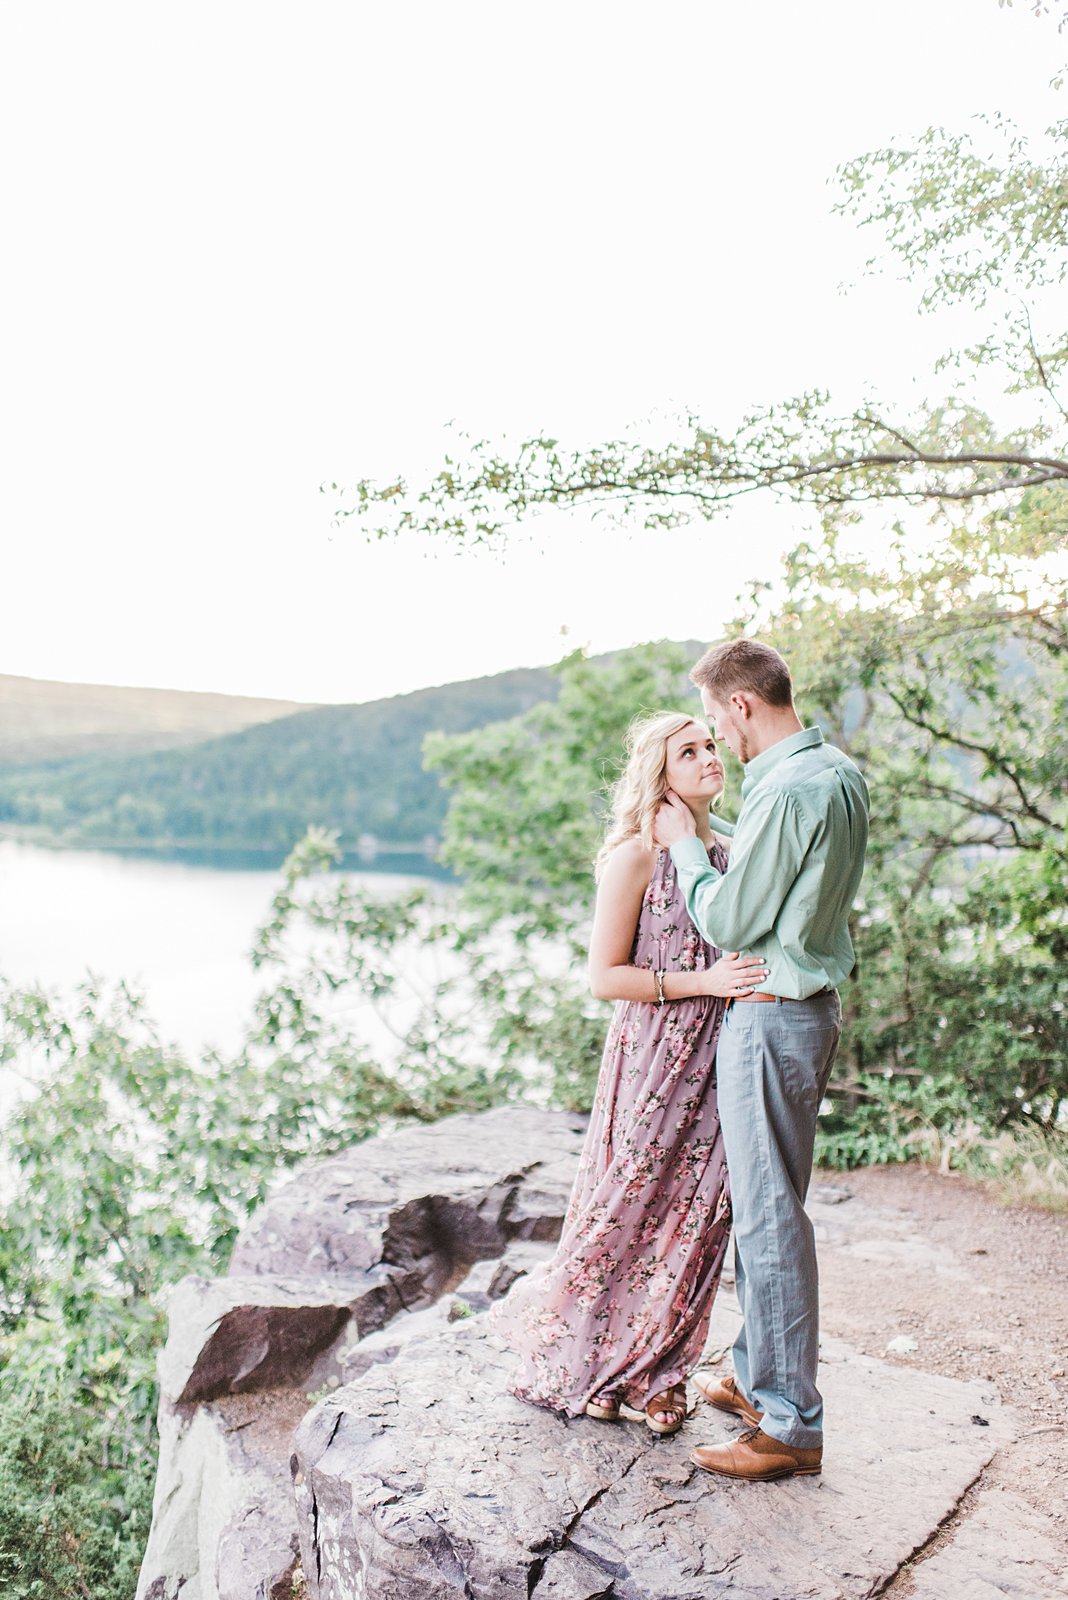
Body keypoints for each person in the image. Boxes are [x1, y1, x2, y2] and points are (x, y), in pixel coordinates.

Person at [489, 712, 768, 1435]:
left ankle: (662, 1374)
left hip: (720, 1059)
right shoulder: (635, 856)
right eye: (691, 751)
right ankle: (593, 1363)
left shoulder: (734, 853)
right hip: (653, 1057)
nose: (711, 758)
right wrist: (703, 983)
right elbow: (603, 976)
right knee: (626, 1208)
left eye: (712, 746)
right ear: (661, 772)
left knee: (700, 1219)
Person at [653, 638, 869, 1482]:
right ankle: (752, 1378)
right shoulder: (834, 773)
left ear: (741, 705)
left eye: (715, 719)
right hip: (808, 1011)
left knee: (769, 1218)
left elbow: (734, 922)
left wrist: (681, 845)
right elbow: (792, 868)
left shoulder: (783, 791)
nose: (717, 737)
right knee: (773, 1206)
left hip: (770, 1016)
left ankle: (789, 1425)